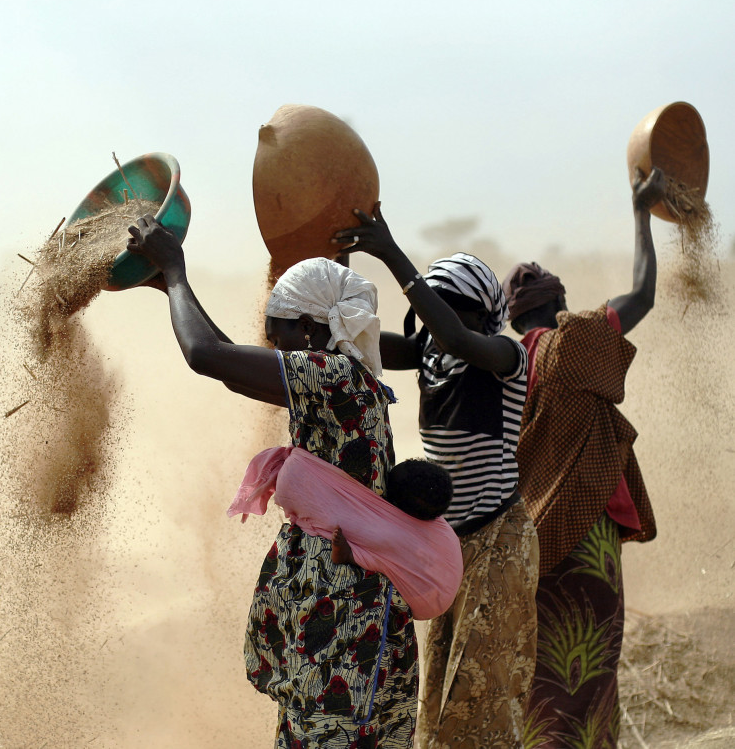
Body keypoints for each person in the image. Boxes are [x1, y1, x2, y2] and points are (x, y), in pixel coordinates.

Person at [127, 219, 417, 748]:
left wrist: (175, 274)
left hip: (346, 620)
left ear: (309, 330)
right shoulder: (343, 380)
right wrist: (169, 286)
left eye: (277, 332)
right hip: (340, 609)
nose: (272, 346)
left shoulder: (335, 378)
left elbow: (206, 357)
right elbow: (229, 367)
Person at [336, 206, 539, 749]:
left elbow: (455, 337)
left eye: (449, 310)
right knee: (446, 685)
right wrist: (336, 259)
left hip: (500, 542)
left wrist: (392, 254)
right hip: (449, 543)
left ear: (480, 316)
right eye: (432, 310)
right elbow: (362, 347)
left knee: (486, 693)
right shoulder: (432, 352)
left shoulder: (504, 357)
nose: (433, 322)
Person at [502, 167, 664, 747]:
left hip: (519, 543)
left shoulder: (496, 363)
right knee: (589, 676)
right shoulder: (574, 341)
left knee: (539, 678)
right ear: (562, 307)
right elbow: (643, 292)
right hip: (584, 538)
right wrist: (641, 210)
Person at [229, 447, 462, 620]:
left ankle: (349, 555)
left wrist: (349, 554)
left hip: (425, 599)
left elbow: (378, 545)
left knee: (379, 548)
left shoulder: (389, 532)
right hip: (442, 588)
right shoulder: (435, 521)